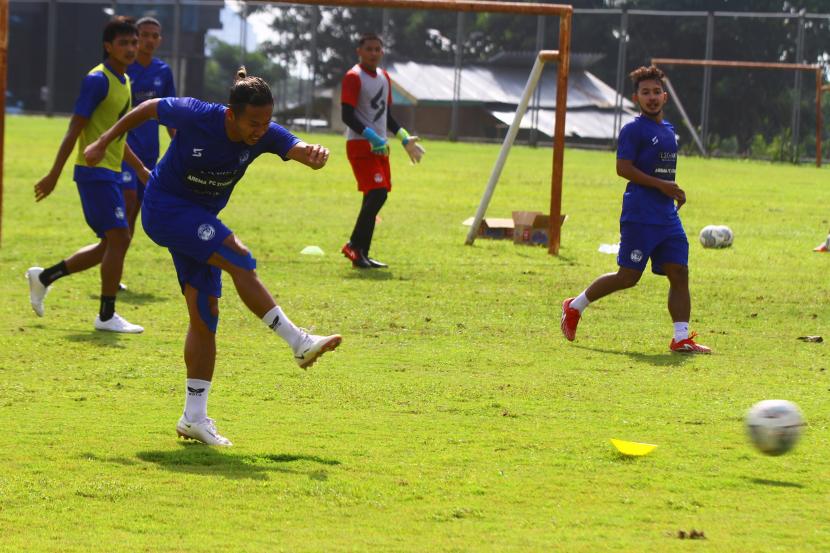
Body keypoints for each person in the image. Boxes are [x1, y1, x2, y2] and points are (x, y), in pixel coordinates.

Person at [84, 67, 342, 446]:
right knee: (239, 256)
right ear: (230, 114)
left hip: (200, 219)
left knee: (205, 313)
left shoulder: (263, 132)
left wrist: (315, 154)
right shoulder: (197, 113)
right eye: (253, 122)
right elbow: (150, 107)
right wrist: (104, 140)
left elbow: (298, 148)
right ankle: (297, 342)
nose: (260, 130)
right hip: (165, 208)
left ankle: (193, 418)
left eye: (266, 121)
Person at [560, 65, 711, 354]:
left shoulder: (669, 131)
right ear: (636, 97)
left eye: (656, 92)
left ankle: (681, 338)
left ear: (665, 96)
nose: (651, 97)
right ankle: (575, 306)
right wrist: (662, 186)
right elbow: (622, 168)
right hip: (640, 215)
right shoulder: (633, 130)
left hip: (666, 216)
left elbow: (662, 175)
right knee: (628, 277)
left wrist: (673, 190)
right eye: (645, 93)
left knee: (679, 272)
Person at [27, 16, 146, 333]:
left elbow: (114, 136)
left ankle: (44, 277)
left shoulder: (124, 80)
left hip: (110, 171)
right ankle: (106, 316)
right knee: (119, 238)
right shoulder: (98, 80)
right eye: (124, 43)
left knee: (110, 244)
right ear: (108, 46)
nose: (131, 48)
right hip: (94, 173)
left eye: (134, 42)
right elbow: (74, 130)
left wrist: (140, 168)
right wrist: (54, 174)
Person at [340, 32, 424, 269]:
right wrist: (371, 137)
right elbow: (347, 115)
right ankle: (354, 246)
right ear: (359, 51)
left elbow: (386, 116)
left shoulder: (384, 77)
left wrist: (404, 138)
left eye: (378, 49)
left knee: (375, 195)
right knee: (378, 193)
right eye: (369, 49)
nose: (374, 53)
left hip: (380, 146)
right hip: (360, 144)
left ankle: (361, 254)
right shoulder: (353, 77)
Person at [121, 16, 176, 238]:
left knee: (134, 210)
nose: (149, 40)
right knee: (128, 197)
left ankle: (117, 252)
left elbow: (170, 114)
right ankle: (111, 247)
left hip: (150, 151)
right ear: (136, 37)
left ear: (160, 40)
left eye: (154, 36)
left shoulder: (163, 71)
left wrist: (180, 142)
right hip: (125, 147)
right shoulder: (124, 68)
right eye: (144, 35)